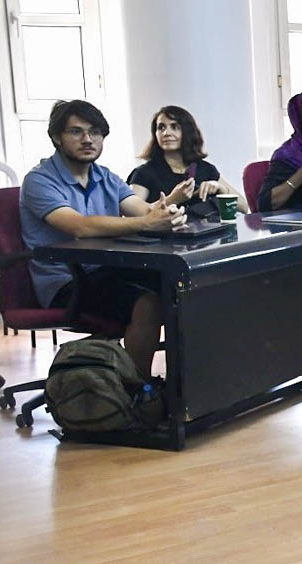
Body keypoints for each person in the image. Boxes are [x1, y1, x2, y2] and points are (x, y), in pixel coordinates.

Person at [20, 99, 186, 378]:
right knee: (149, 303)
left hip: (107, 270)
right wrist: (148, 221)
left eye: (95, 132)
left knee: (182, 287)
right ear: (57, 137)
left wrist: (167, 214)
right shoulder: (39, 180)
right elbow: (79, 227)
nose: (88, 139)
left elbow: (143, 210)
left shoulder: (105, 176)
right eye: (76, 132)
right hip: (66, 281)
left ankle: (188, 388)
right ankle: (137, 390)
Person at [127, 105, 249, 218]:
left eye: (175, 127)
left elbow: (243, 207)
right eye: (161, 128)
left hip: (207, 233)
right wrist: (173, 199)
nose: (166, 133)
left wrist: (220, 188)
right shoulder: (143, 173)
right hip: (165, 234)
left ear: (187, 132)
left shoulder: (205, 169)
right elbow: (132, 217)